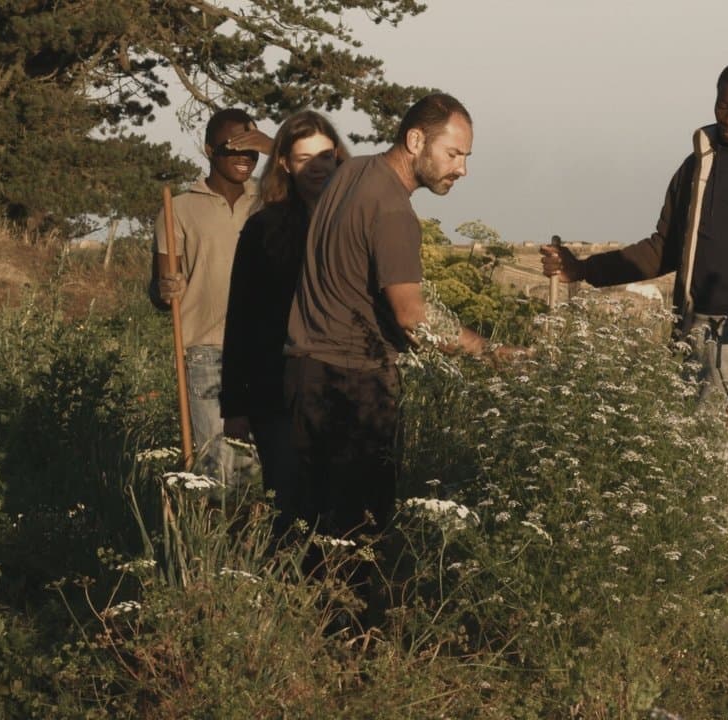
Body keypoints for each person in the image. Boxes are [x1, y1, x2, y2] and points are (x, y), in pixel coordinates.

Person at [540, 61, 728, 602]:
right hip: (697, 339)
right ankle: (723, 613)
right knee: (712, 485)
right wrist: (585, 269)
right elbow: (662, 247)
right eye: (722, 105)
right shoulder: (695, 167)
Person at [285, 92, 500, 538]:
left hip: (303, 375)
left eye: (466, 156)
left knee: (305, 529)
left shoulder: (353, 172)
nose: (462, 169)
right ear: (416, 140)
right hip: (353, 385)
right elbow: (413, 318)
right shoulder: (394, 211)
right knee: (357, 536)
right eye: (453, 154)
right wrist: (490, 351)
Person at [221, 111, 346, 531]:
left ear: (339, 158)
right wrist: (235, 405)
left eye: (325, 156)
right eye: (303, 157)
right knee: (289, 506)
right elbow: (241, 316)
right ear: (285, 164)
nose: (316, 168)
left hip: (345, 387)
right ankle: (285, 591)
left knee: (338, 505)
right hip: (275, 391)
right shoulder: (263, 228)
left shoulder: (356, 222)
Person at [154, 108, 273, 485]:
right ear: (208, 150)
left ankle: (254, 542)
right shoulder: (179, 207)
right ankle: (214, 542)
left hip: (267, 351)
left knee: (262, 469)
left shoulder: (272, 202)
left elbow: (327, 178)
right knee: (218, 469)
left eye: (252, 150)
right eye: (232, 147)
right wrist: (163, 289)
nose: (244, 157)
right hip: (207, 350)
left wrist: (273, 145)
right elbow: (160, 289)